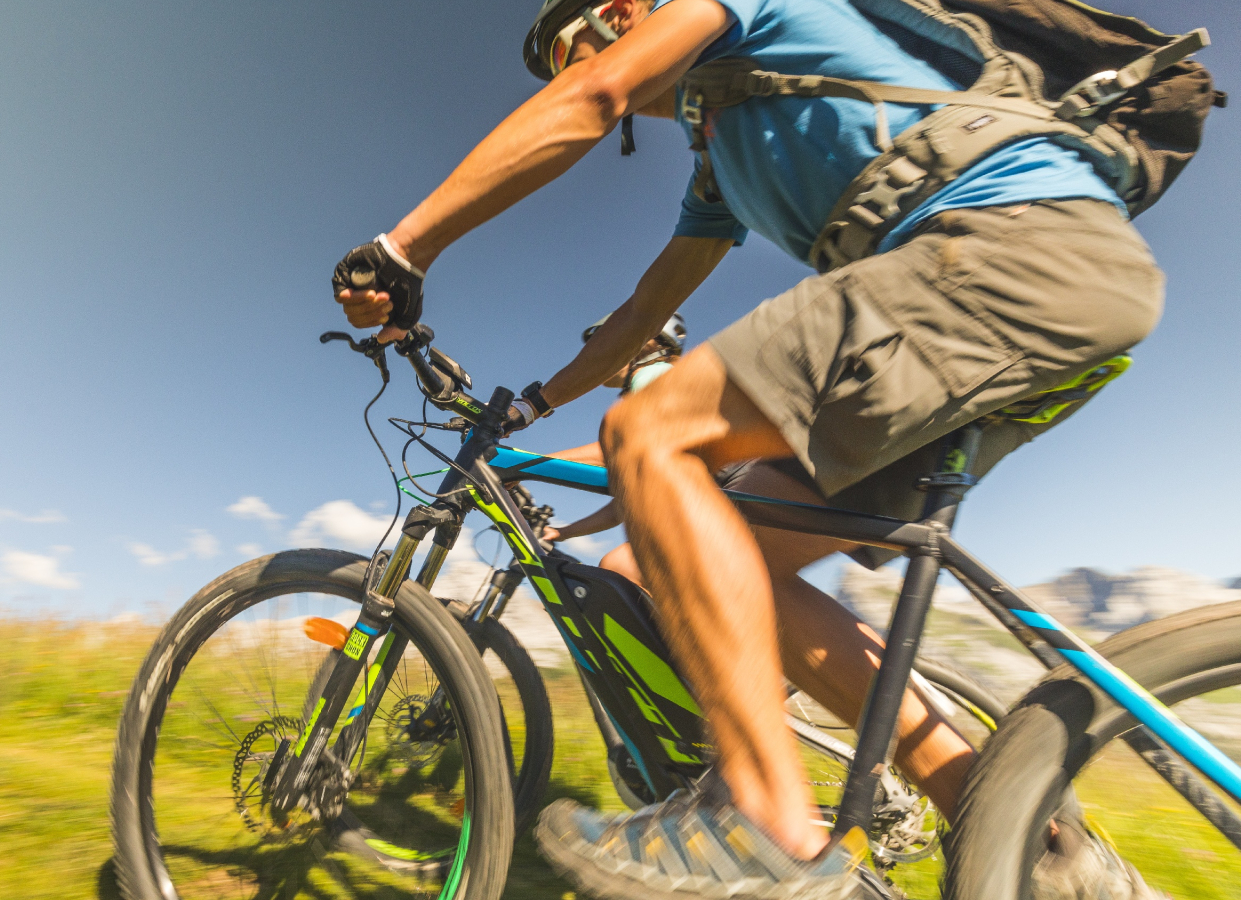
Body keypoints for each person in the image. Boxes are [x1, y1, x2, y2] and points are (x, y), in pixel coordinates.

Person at [330, 0, 1164, 896]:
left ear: (616, 13)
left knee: (648, 432)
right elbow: (643, 313)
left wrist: (403, 248)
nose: (566, 76)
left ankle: (763, 820)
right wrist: (532, 404)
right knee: (734, 563)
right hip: (1047, 294)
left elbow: (598, 94)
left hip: (1004, 251)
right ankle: (1027, 840)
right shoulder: (721, 152)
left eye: (565, 54)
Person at [540, 313, 688, 586]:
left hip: (733, 506)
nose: (597, 355)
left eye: (604, 343)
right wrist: (562, 533)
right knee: (617, 572)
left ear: (643, 342)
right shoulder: (653, 382)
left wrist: (529, 465)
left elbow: (617, 450)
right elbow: (625, 504)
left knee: (619, 568)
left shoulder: (655, 376)